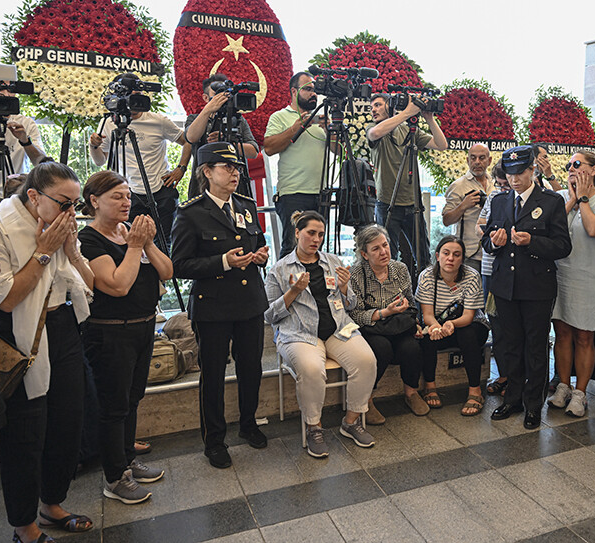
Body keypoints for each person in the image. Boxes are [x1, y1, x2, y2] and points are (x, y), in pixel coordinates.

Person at [0, 161, 94, 543]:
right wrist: (43, 252)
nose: (71, 213)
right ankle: (24, 526)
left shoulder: (60, 228)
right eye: (64, 203)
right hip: (17, 337)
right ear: (35, 196)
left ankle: (52, 503)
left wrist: (70, 250)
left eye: (76, 204)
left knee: (68, 423)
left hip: (62, 328)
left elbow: (89, 286)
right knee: (25, 437)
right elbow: (5, 300)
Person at [171, 142, 270, 469]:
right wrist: (223, 262)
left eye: (236, 168)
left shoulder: (245, 204)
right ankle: (214, 440)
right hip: (212, 306)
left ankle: (248, 423)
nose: (235, 173)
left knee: (251, 369)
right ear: (206, 172)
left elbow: (257, 242)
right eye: (226, 168)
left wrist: (260, 256)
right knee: (212, 375)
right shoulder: (191, 213)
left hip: (249, 302)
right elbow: (180, 265)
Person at [78, 170, 173, 503]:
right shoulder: (88, 239)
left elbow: (167, 271)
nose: (126, 202)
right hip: (110, 332)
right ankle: (114, 477)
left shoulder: (130, 233)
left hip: (145, 326)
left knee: (132, 400)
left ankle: (127, 461)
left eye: (128, 196)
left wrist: (145, 241)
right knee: (113, 407)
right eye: (117, 196)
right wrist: (135, 246)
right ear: (94, 201)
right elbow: (117, 285)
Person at [264, 210, 376, 458]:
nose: (316, 239)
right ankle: (314, 427)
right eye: (310, 233)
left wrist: (346, 288)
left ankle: (351, 421)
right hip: (299, 333)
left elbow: (351, 305)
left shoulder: (333, 262)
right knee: (313, 369)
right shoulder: (279, 270)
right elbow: (270, 316)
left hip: (337, 328)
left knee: (367, 360)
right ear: (297, 233)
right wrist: (293, 292)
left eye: (321, 234)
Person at [483, 145, 572, 429]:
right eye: (509, 173)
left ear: (532, 170)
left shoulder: (551, 201)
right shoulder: (499, 201)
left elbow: (562, 246)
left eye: (520, 172)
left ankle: (534, 404)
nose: (514, 178)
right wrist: (494, 243)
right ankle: (513, 398)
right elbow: (487, 242)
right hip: (505, 286)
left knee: (535, 347)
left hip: (536, 286)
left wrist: (531, 242)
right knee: (509, 346)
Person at [547, 151, 595, 416]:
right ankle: (563, 385)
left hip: (589, 275)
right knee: (562, 333)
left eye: (578, 164)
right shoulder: (560, 197)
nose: (572, 169)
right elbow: (552, 228)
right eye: (569, 166)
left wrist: (584, 200)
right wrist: (572, 198)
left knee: (585, 335)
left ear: (594, 169)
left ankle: (581, 393)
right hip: (561, 273)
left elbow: (593, 229)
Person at [89, 72, 187, 247]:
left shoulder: (158, 121)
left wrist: (181, 168)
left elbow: (188, 141)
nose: (134, 102)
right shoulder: (110, 123)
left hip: (161, 191)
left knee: (165, 243)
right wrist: (94, 146)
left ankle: (163, 274)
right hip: (129, 193)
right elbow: (99, 161)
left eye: (138, 96)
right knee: (131, 243)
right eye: (130, 97)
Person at [349, 224, 428, 423]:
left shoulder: (400, 269)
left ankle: (411, 392)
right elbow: (353, 315)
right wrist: (384, 312)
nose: (383, 252)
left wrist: (415, 322)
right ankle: (366, 399)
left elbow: (411, 301)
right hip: (372, 327)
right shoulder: (355, 274)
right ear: (364, 254)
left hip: (398, 325)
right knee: (381, 349)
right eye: (376, 248)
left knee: (412, 347)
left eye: (385, 245)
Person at [366, 93, 447, 272]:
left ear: (391, 106)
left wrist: (430, 119)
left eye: (378, 105)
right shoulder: (374, 127)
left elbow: (441, 145)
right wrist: (407, 113)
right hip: (387, 203)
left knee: (423, 258)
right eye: (372, 107)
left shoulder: (409, 130)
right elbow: (375, 133)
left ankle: (422, 297)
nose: (374, 109)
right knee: (387, 257)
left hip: (412, 204)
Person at [416, 235, 490, 416]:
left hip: (470, 325)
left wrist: (450, 324)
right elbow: (427, 315)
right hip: (439, 324)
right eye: (446, 253)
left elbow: (468, 316)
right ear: (437, 255)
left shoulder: (471, 276)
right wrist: (436, 328)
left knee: (467, 334)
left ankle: (475, 391)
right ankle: (430, 387)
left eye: (457, 255)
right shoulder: (426, 277)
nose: (451, 259)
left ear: (462, 259)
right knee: (427, 336)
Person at [263, 72, 328, 258]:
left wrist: (329, 130)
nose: (313, 94)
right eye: (307, 89)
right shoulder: (280, 117)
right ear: (293, 91)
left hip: (321, 193)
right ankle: (285, 287)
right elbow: (268, 148)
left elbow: (339, 152)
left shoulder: (321, 118)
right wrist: (295, 128)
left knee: (317, 249)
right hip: (293, 194)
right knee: (292, 247)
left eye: (315, 90)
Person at [0, 84, 47, 221]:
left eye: (10, 89)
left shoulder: (26, 123)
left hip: (15, 198)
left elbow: (41, 163)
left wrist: (25, 140)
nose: (5, 94)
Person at [181, 73, 260, 199]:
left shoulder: (238, 119)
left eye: (226, 96)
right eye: (217, 96)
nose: (222, 100)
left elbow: (253, 151)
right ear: (206, 98)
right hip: (203, 187)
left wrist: (227, 143)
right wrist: (208, 110)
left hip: (237, 187)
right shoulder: (195, 118)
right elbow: (191, 137)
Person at [478, 165, 511, 396]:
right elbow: (480, 224)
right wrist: (491, 236)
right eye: (499, 184)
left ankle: (521, 374)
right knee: (497, 325)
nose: (503, 188)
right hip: (491, 267)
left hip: (518, 269)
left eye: (506, 184)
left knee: (516, 326)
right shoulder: (494, 197)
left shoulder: (539, 195)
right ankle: (504, 374)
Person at [442, 143, 492, 271]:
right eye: (473, 158)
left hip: (492, 252)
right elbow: (446, 220)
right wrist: (463, 206)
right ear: (467, 160)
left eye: (482, 158)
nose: (477, 162)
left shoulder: (495, 184)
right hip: (468, 254)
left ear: (489, 160)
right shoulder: (458, 186)